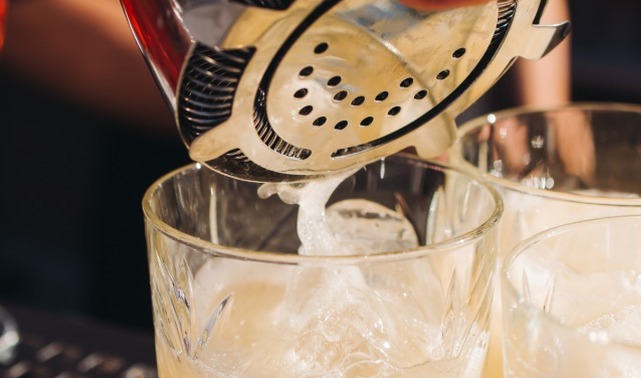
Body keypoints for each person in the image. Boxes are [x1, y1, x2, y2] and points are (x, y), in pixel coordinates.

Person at [0, 0, 571, 328]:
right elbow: (28, 15)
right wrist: (230, 107)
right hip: (198, 176)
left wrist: (546, 130)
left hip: (436, 124)